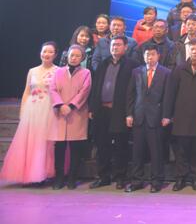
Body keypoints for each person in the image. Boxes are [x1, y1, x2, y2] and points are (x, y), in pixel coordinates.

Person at [0, 42, 57, 185]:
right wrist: (23, 110)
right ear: (40, 53)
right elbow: (26, 91)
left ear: (55, 54)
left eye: (50, 52)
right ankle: (29, 174)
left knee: (45, 142)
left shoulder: (58, 71)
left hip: (49, 109)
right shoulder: (32, 71)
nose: (46, 54)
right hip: (32, 109)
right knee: (30, 142)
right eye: (44, 51)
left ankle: (43, 174)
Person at [89, 35, 139, 189]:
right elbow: (95, 87)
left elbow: (134, 91)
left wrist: (130, 112)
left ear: (126, 47)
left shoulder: (132, 65)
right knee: (102, 145)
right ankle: (103, 176)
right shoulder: (103, 64)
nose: (115, 47)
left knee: (120, 146)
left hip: (120, 111)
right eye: (113, 45)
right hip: (101, 110)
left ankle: (120, 177)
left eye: (118, 45)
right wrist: (92, 108)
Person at [163, 39, 196, 192]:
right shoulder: (179, 69)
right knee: (181, 150)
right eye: (192, 49)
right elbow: (170, 93)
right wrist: (167, 115)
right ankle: (180, 178)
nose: (194, 52)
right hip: (181, 116)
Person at [125, 43, 171, 193]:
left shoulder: (166, 73)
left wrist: (166, 115)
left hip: (156, 117)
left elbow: (168, 97)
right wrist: (129, 114)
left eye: (152, 54)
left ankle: (156, 181)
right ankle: (137, 180)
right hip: (138, 116)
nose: (149, 57)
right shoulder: (136, 72)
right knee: (137, 151)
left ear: (158, 56)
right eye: (147, 55)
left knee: (156, 152)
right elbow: (131, 94)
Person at [48, 44, 91, 190]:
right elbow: (52, 89)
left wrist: (71, 106)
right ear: (67, 56)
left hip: (76, 113)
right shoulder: (58, 72)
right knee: (59, 147)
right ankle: (59, 177)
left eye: (77, 56)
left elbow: (84, 92)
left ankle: (72, 178)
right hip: (60, 113)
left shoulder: (86, 73)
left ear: (82, 57)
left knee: (75, 148)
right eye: (72, 55)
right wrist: (61, 105)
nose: (74, 58)